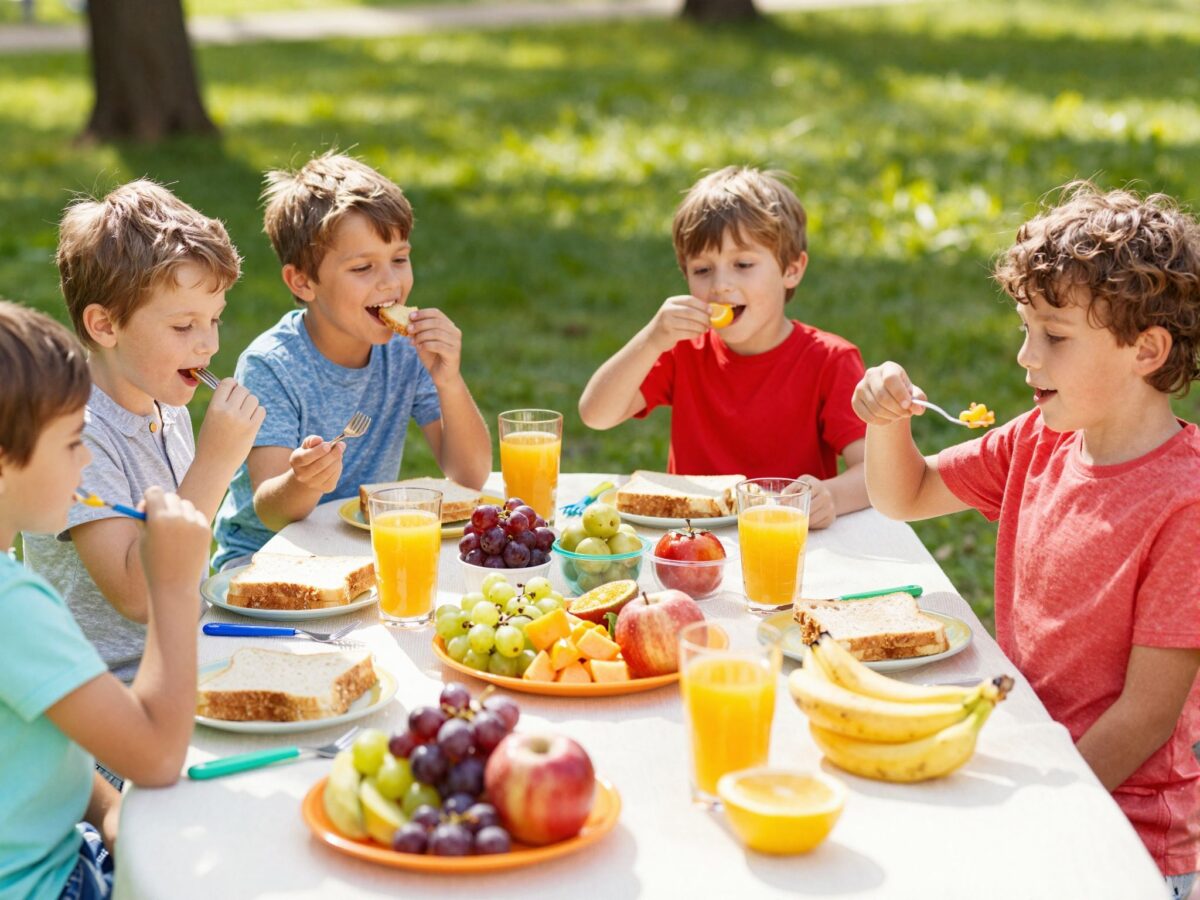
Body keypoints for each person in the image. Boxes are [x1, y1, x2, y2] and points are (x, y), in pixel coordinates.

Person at [851, 182, 1200, 894]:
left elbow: (1145, 716)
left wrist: (1047, 810)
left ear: (1147, 349)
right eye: (1025, 329)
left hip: (1125, 838)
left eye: (1054, 336)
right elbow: (904, 495)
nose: (1025, 356)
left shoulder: (1185, 502)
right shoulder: (1038, 441)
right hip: (1030, 774)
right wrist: (885, 423)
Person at [0, 301, 211, 899]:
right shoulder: (13, 606)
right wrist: (172, 585)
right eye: (72, 442)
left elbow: (38, 743)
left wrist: (111, 810)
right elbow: (157, 757)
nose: (87, 459)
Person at [22, 181, 264, 685]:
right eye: (183, 327)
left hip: (188, 654)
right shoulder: (79, 435)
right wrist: (216, 463)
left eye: (215, 320)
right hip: (112, 692)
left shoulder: (165, 404)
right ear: (105, 326)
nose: (209, 344)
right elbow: (135, 595)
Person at [213, 152, 490, 569]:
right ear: (302, 282)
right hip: (264, 557)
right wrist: (303, 480)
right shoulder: (272, 364)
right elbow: (271, 511)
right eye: (363, 267)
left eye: (399, 259)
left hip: (357, 552)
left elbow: (470, 477)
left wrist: (449, 380)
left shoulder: (405, 351)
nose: (391, 283)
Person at [578, 165, 868, 529]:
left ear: (792, 270)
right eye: (702, 270)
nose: (720, 285)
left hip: (785, 540)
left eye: (743, 264)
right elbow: (596, 414)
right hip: (692, 537)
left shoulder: (830, 361)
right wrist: (651, 339)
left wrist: (832, 497)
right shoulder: (682, 349)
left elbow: (873, 471)